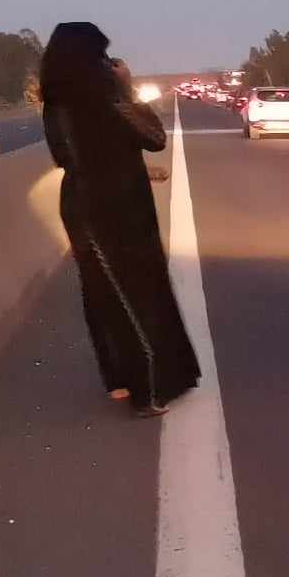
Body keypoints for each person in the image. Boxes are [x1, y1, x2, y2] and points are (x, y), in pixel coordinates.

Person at [38, 22, 200, 416]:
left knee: (101, 293)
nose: (109, 64)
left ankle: (120, 379)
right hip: (118, 207)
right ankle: (149, 390)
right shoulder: (108, 99)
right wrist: (125, 88)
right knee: (138, 293)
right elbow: (153, 138)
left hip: (83, 206)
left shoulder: (55, 104)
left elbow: (71, 158)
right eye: (102, 57)